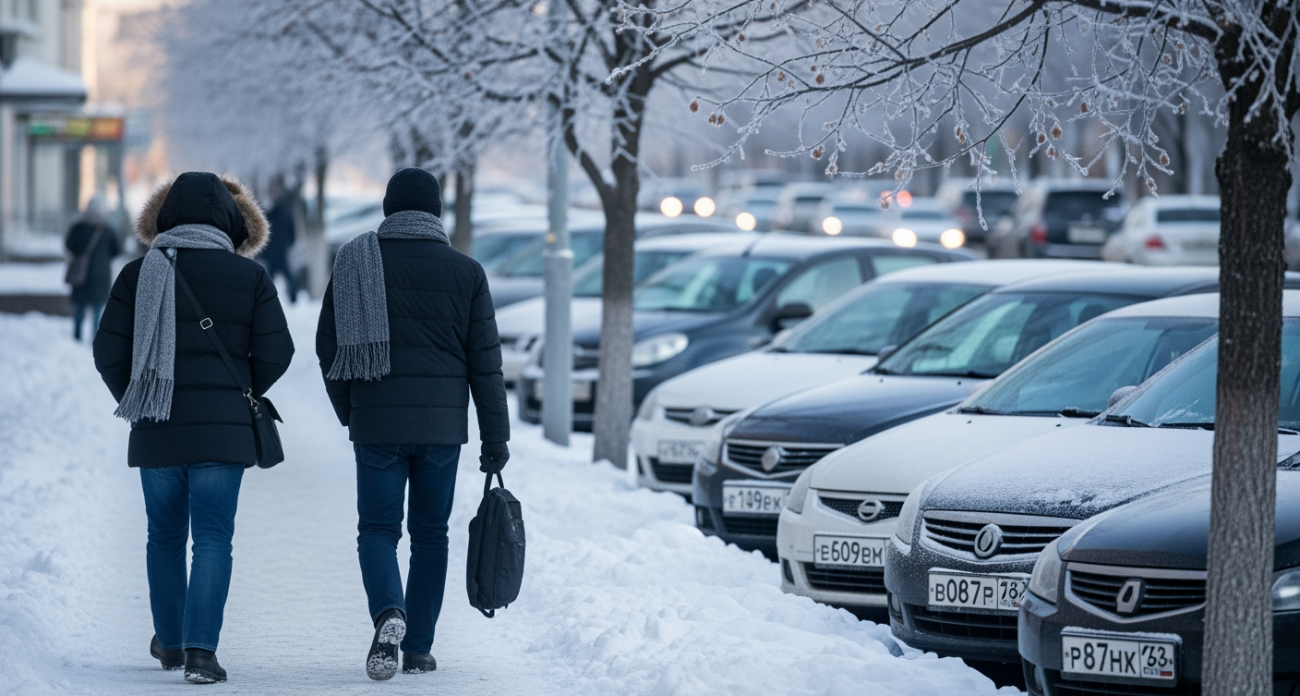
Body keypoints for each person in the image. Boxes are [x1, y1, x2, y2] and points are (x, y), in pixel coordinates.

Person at [92, 172, 295, 684]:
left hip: (157, 428)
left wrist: (139, 396)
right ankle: (201, 653)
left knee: (163, 536)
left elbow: (106, 352)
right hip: (223, 435)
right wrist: (239, 392)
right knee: (211, 538)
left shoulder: (138, 275)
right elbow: (278, 351)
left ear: (165, 215)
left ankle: (172, 642)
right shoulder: (250, 277)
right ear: (231, 220)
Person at [316, 167, 510, 681]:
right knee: (430, 535)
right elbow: (485, 365)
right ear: (437, 212)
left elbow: (327, 347)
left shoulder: (355, 263)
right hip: (442, 431)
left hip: (377, 425)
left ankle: (389, 613)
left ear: (387, 208)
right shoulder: (466, 272)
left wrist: (351, 410)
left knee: (378, 530)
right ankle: (419, 648)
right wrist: (496, 438)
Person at [64, 196, 121, 341]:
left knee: (79, 308)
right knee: (97, 309)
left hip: (81, 275)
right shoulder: (107, 229)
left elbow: (69, 245)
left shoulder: (78, 227)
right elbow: (117, 249)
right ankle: (95, 339)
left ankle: (77, 336)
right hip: (100, 277)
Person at [260, 177, 299, 303]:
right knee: (288, 277)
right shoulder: (285, 213)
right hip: (282, 251)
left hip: (271, 253)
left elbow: (263, 234)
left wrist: (263, 252)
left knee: (268, 279)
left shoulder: (268, 215)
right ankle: (294, 298)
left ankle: (264, 299)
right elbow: (292, 233)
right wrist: (289, 244)